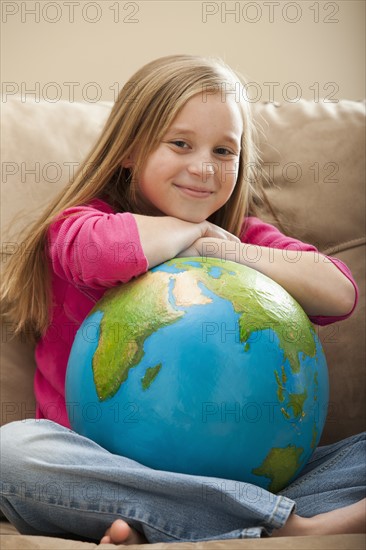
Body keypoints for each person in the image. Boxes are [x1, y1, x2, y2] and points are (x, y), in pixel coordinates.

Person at [0, 54, 365, 545]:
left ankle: (165, 521)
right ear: (129, 149)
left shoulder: (238, 239)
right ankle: (286, 525)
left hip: (244, 470)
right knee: (11, 454)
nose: (203, 168)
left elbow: (339, 292)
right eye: (180, 144)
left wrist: (216, 246)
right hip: (101, 467)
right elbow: (105, 253)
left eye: (224, 151)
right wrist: (188, 232)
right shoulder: (80, 225)